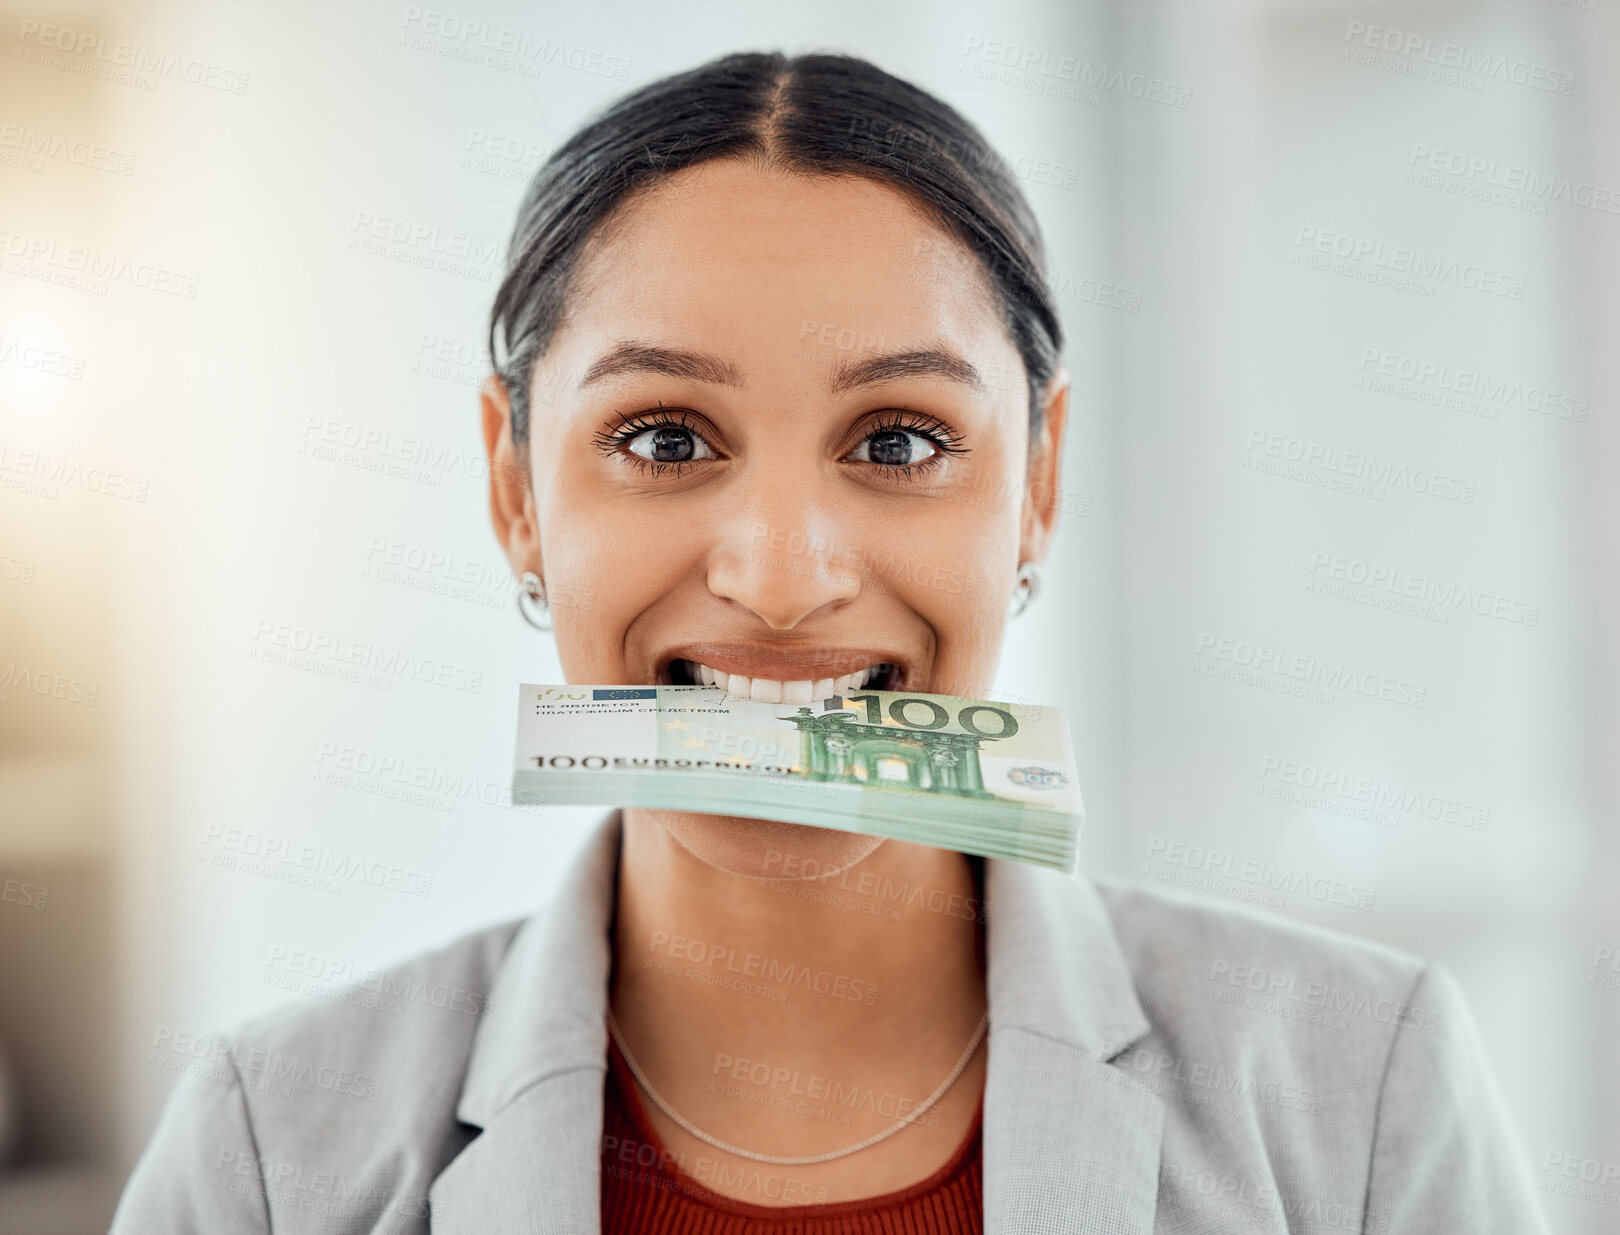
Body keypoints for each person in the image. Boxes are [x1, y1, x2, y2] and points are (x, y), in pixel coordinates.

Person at [110, 51, 1549, 1234]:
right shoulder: (268, 1153)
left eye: (902, 438)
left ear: (1038, 483)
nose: (783, 579)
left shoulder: (1364, 1086)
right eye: (665, 438)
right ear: (513, 488)